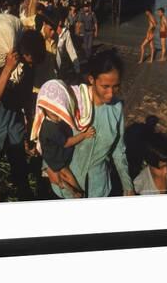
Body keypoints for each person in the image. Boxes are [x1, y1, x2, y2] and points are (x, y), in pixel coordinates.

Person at [47, 50, 135, 198]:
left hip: (98, 187)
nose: (111, 93)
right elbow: (49, 137)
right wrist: (48, 168)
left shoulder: (117, 108)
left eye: (116, 86)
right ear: (91, 80)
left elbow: (118, 151)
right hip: (67, 182)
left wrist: (128, 187)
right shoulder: (74, 102)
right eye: (105, 86)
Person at [0, 30, 46, 202]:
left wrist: (30, 125)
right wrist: (7, 69)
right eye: (32, 59)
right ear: (26, 53)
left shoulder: (29, 68)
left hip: (14, 128)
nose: (33, 64)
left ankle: (24, 196)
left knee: (20, 170)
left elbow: (26, 98)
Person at [33, 86, 96, 198]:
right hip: (55, 157)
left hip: (51, 153)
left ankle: (65, 185)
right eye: (55, 115)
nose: (59, 117)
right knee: (67, 173)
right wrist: (84, 135)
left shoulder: (48, 121)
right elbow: (67, 142)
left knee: (63, 174)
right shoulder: (51, 129)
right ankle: (78, 192)